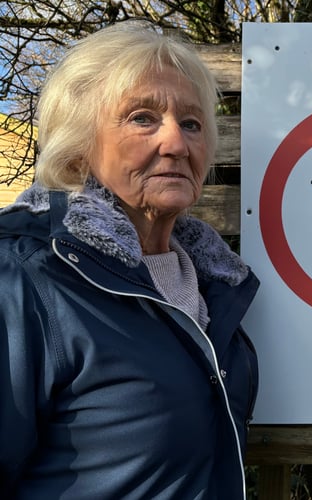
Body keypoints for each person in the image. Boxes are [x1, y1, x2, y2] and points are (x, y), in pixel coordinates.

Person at [0, 21, 260, 499]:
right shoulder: (23, 276)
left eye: (192, 123)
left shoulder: (214, 288)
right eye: (142, 117)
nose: (176, 143)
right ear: (79, 147)